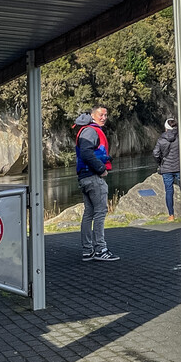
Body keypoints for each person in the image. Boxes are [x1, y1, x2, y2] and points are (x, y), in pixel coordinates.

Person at [74, 106, 119, 262]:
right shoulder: (91, 131)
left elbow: (92, 152)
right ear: (92, 116)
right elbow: (87, 153)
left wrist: (107, 159)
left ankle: (88, 250)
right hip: (93, 177)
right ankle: (100, 249)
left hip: (84, 177)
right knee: (100, 212)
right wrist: (101, 169)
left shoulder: (86, 130)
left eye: (106, 115)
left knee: (89, 213)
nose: (104, 117)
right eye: (101, 114)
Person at [153, 118, 180, 221]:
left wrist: (160, 162)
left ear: (166, 127)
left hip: (166, 169)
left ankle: (171, 215)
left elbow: (155, 153)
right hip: (179, 167)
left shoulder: (161, 139)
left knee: (169, 191)